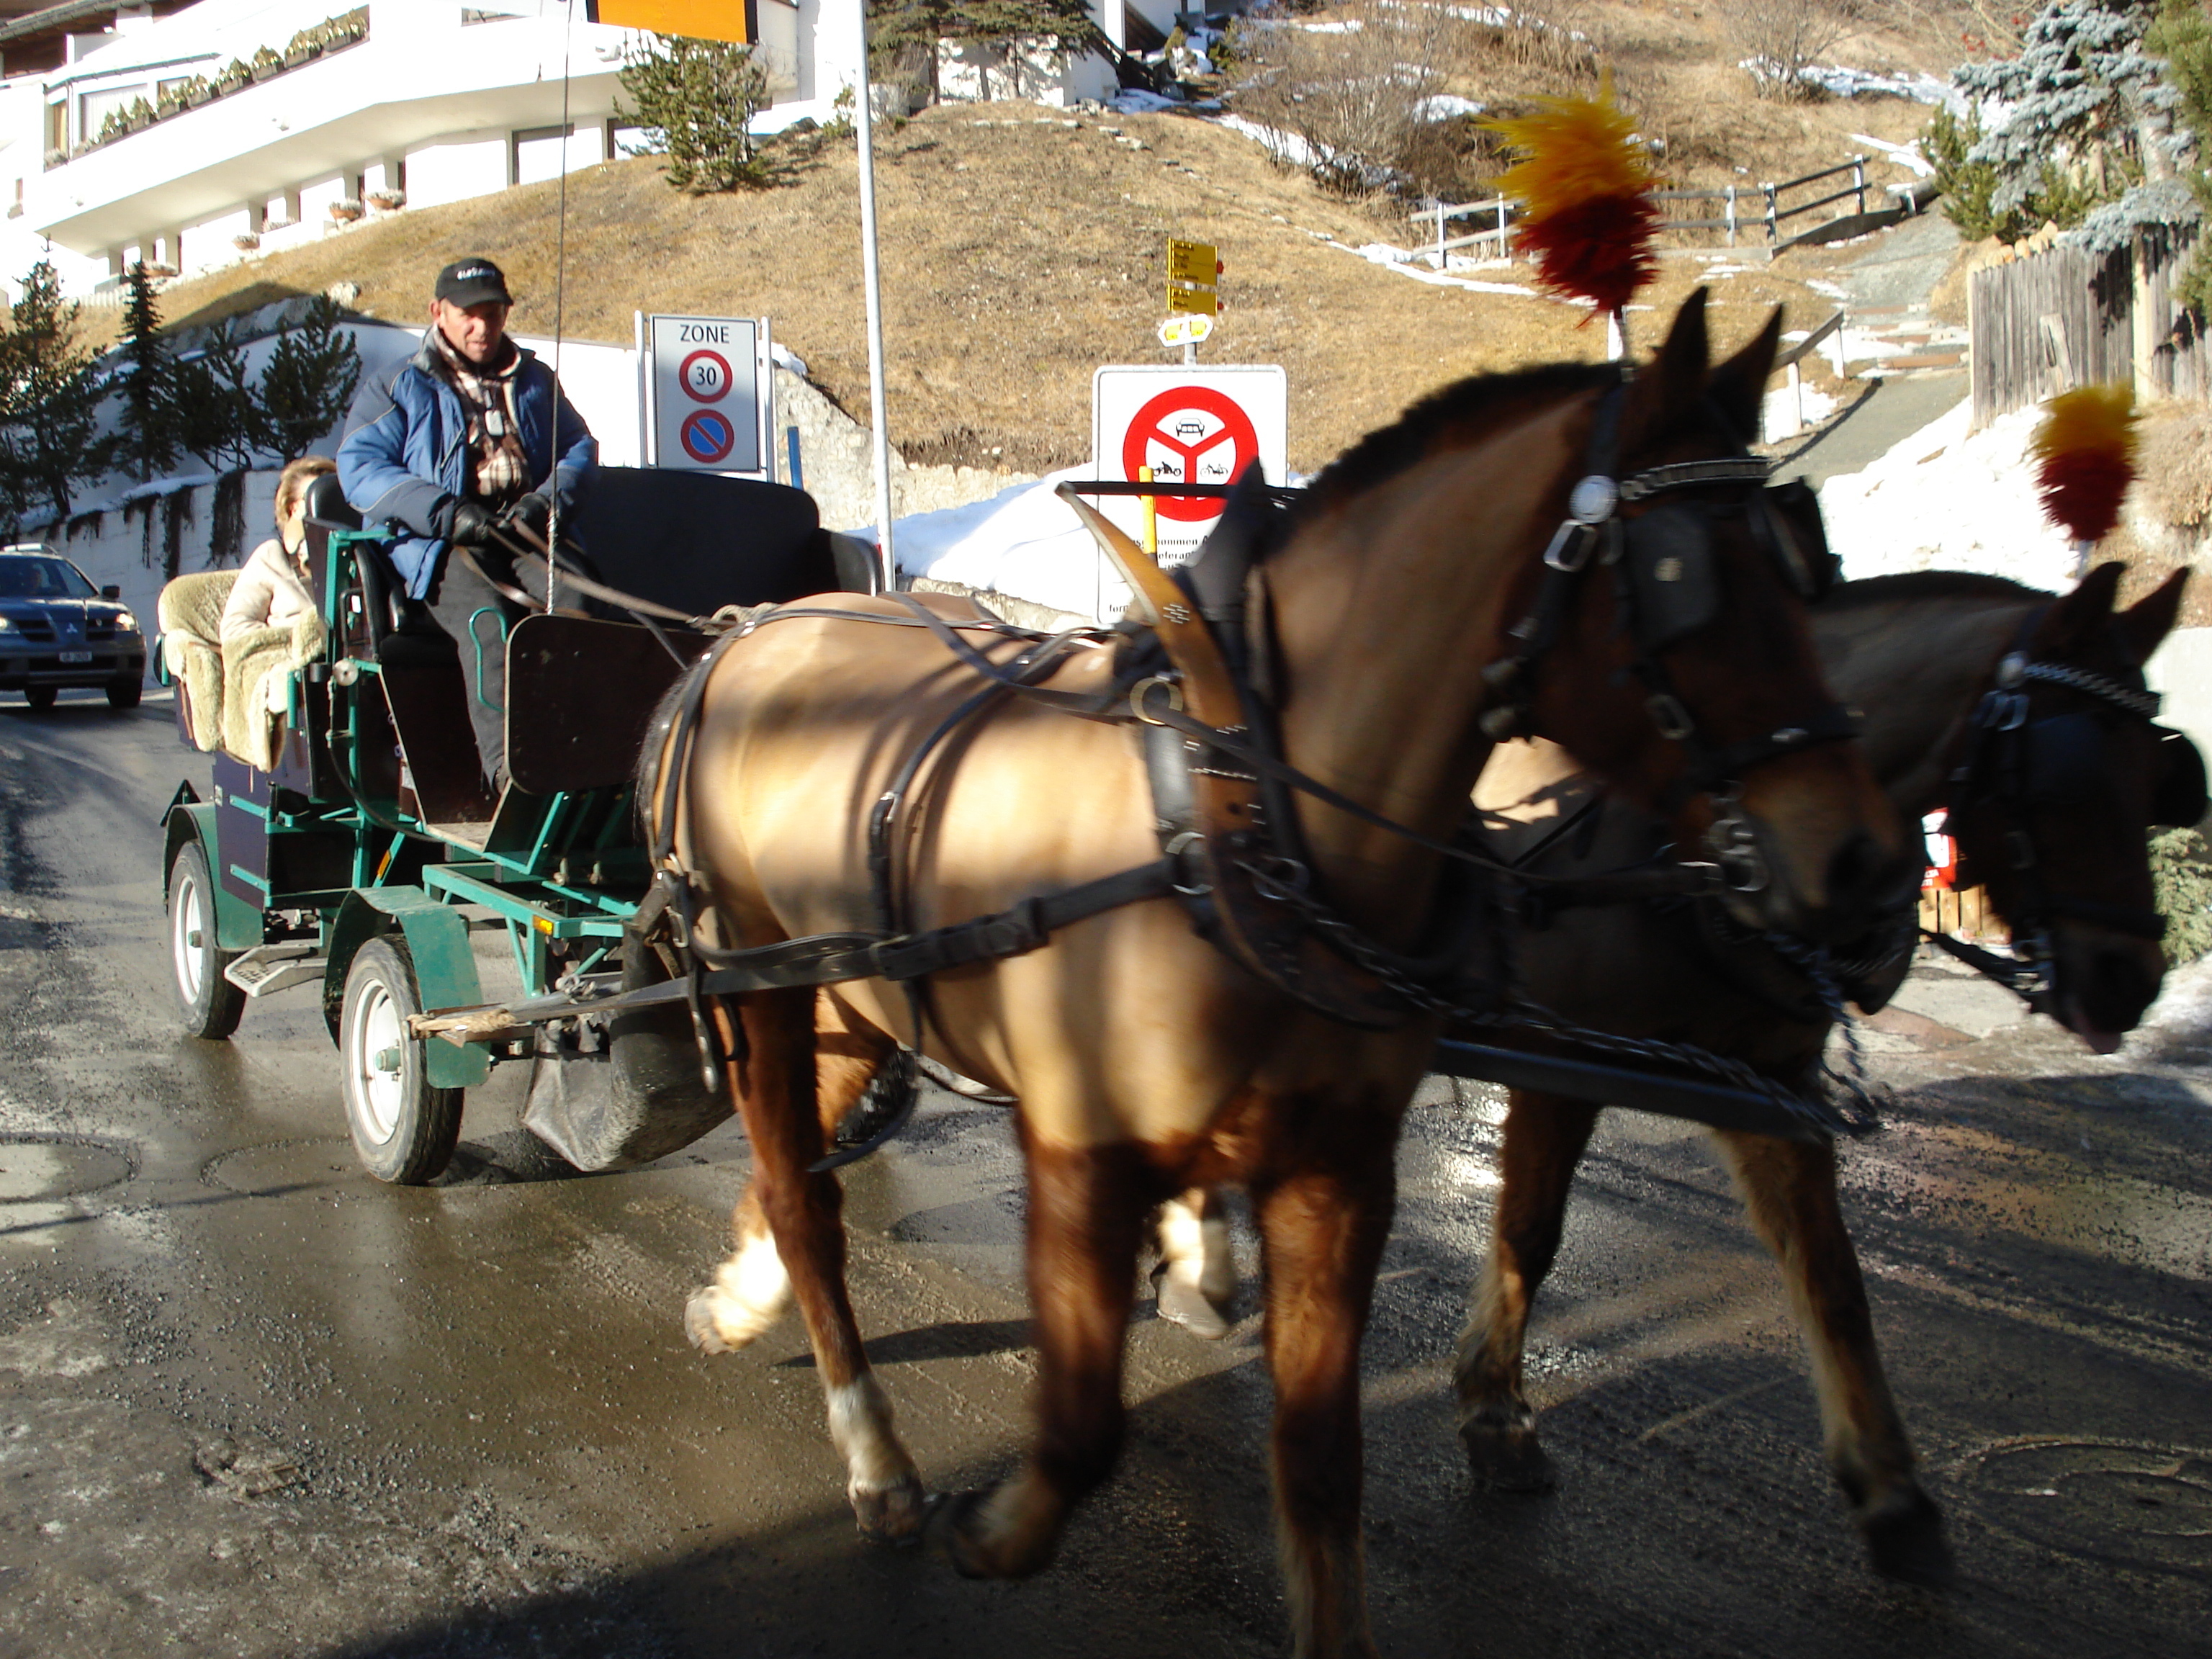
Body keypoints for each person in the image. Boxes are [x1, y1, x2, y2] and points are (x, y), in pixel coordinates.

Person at [336, 256, 595, 792]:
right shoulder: (396, 386)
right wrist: (447, 514)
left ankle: (581, 756)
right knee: (489, 624)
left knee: (580, 605)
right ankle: (510, 777)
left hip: (523, 530)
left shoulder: (535, 381)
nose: (483, 328)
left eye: (494, 314)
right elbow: (359, 468)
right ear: (438, 312)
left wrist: (541, 504)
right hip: (441, 543)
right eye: (469, 315)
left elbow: (578, 447)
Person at [220, 456, 338, 645]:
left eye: (332, 498)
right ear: (294, 508)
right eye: (316, 498)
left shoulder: (358, 554)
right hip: (292, 665)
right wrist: (298, 640)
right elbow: (234, 629)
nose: (325, 506)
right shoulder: (272, 557)